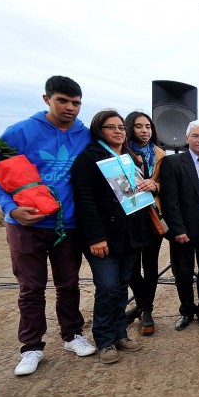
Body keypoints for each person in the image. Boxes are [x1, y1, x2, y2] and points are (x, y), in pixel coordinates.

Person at [0, 76, 96, 376]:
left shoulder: (85, 136)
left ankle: (72, 335)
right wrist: (11, 208)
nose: (70, 108)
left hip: (68, 225)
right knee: (31, 287)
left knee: (69, 283)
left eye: (76, 103)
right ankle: (31, 347)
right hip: (25, 225)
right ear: (47, 99)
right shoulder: (20, 131)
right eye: (63, 100)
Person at [72, 110, 156, 364]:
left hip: (130, 237)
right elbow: (85, 200)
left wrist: (150, 185)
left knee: (121, 287)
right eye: (111, 127)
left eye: (121, 127)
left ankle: (120, 335)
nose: (118, 131)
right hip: (104, 239)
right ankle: (104, 341)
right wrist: (96, 237)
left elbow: (138, 195)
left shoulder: (132, 158)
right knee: (107, 288)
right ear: (100, 130)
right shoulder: (89, 159)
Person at [159, 121, 199, 331]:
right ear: (187, 139)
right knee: (183, 273)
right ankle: (186, 311)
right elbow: (170, 201)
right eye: (195, 136)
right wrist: (177, 230)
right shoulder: (173, 163)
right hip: (183, 230)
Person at [124, 111, 166, 336]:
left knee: (150, 266)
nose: (144, 130)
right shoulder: (121, 151)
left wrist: (155, 186)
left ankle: (147, 310)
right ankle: (141, 304)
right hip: (128, 216)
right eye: (139, 126)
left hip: (151, 216)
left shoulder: (160, 153)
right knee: (130, 268)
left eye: (148, 126)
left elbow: (165, 183)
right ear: (130, 128)